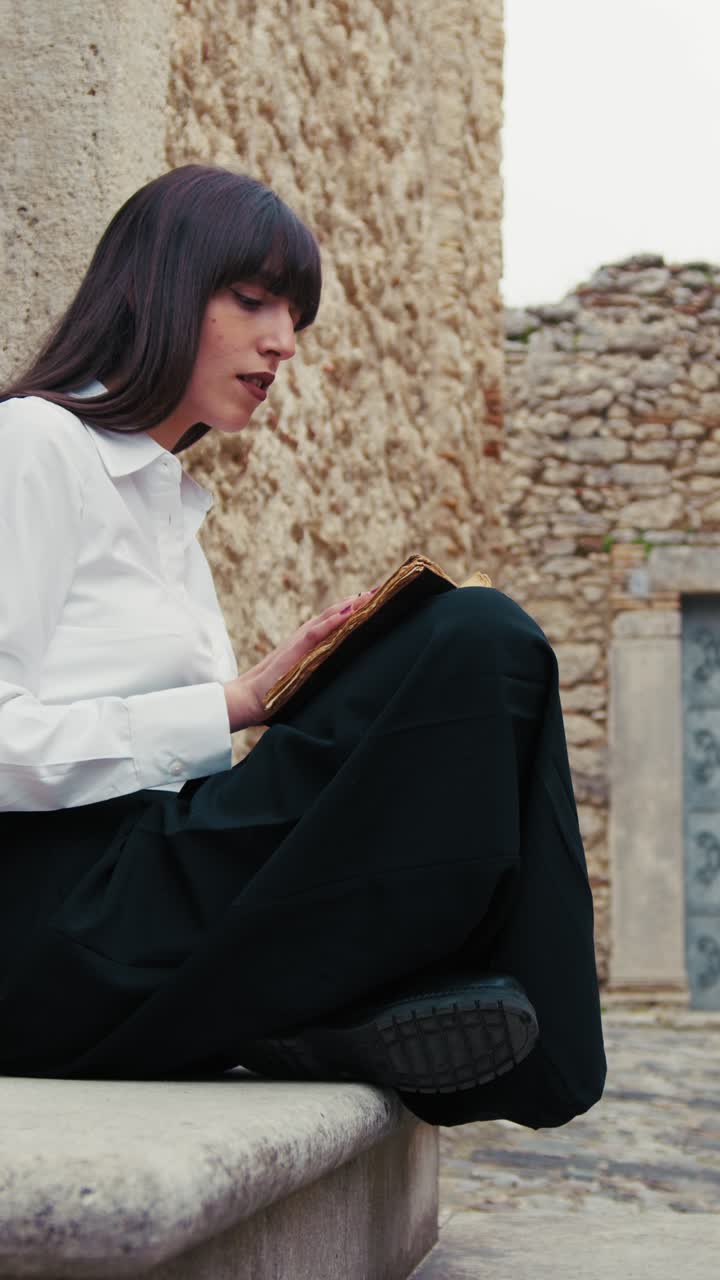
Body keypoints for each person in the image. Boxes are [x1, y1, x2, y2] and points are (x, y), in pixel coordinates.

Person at [0, 164, 606, 1128]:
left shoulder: (168, 510)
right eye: (252, 302)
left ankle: (333, 1010)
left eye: (295, 318)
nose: (283, 343)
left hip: (135, 894)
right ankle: (357, 1006)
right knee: (474, 641)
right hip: (53, 924)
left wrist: (299, 691)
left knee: (455, 651)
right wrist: (235, 704)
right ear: (154, 287)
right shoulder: (34, 445)